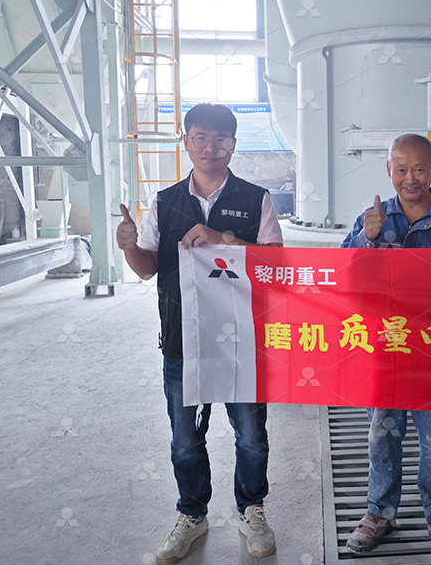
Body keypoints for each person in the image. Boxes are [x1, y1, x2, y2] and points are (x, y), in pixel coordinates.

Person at [116, 103, 283, 563]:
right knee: (185, 440)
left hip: (242, 342)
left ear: (233, 144)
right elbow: (147, 268)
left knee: (251, 436)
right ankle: (192, 513)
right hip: (182, 342)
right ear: (186, 141)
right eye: (201, 137)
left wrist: (223, 238)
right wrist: (129, 247)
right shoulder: (166, 201)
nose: (211, 147)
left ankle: (252, 509)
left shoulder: (256, 199)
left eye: (221, 139)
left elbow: (276, 266)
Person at [340, 133, 431, 562]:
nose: (410, 178)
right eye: (401, 169)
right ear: (389, 171)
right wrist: (366, 240)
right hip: (385, 352)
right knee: (382, 435)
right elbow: (343, 276)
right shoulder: (372, 220)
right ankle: (379, 513)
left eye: (419, 168)